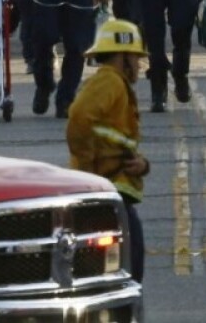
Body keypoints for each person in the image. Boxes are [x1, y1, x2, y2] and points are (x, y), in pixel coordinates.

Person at [67, 18, 151, 283]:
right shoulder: (110, 82)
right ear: (122, 55)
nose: (138, 65)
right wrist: (91, 170)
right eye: (135, 58)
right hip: (106, 191)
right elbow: (79, 119)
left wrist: (141, 164)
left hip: (114, 190)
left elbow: (117, 140)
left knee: (126, 262)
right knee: (126, 267)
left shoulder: (114, 84)